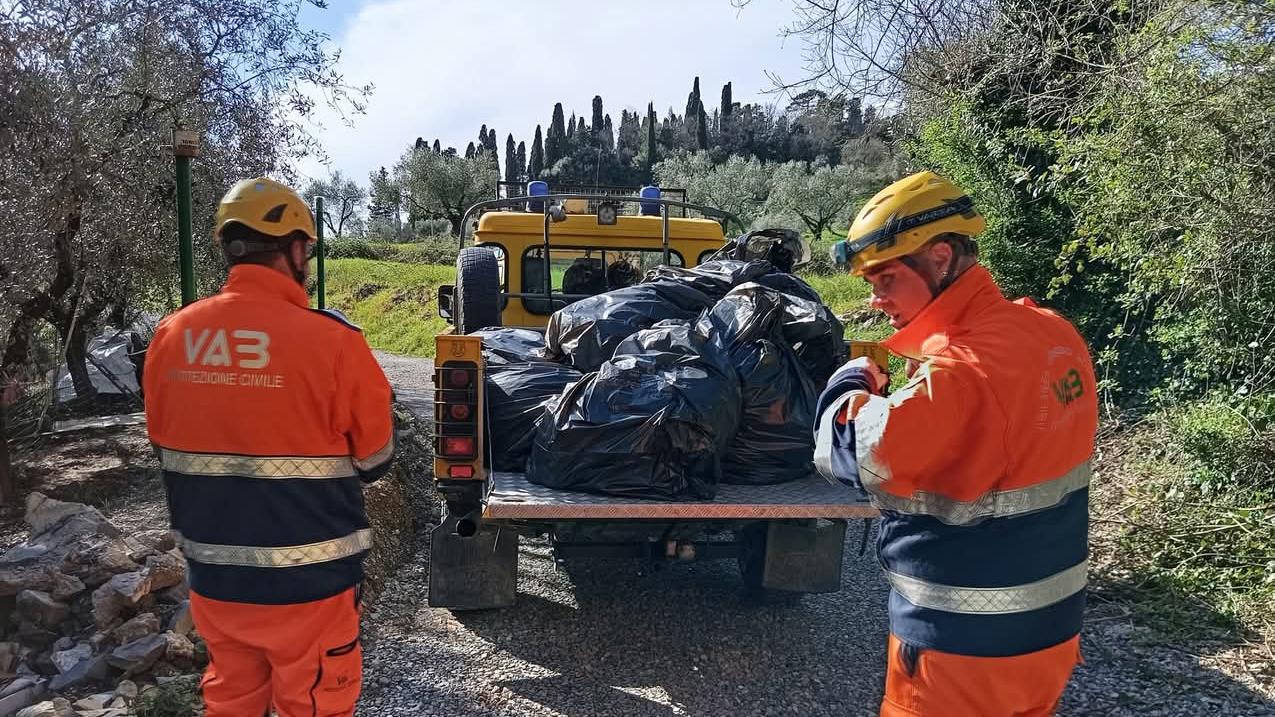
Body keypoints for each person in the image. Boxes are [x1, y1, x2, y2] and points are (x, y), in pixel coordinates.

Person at [816, 171, 1097, 716]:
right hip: (1050, 637)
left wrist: (848, 383)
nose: (875, 299)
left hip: (960, 653)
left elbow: (847, 451)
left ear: (940, 258)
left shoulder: (959, 373)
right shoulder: (1054, 334)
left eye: (885, 278)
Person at [143, 178, 394, 716]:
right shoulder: (334, 342)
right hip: (310, 586)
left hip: (215, 581)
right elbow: (376, 458)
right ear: (296, 250)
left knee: (231, 701)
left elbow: (163, 443)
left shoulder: (171, 337)